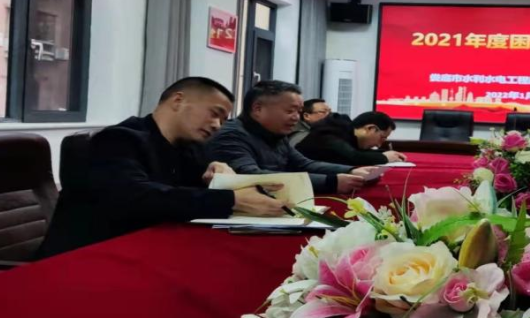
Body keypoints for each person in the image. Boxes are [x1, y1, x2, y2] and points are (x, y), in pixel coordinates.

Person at [37, 77, 285, 259]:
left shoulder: (187, 147)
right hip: (86, 257)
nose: (217, 125)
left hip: (145, 248)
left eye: (223, 120)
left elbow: (190, 193)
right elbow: (139, 198)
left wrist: (219, 174)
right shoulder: (118, 140)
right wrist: (232, 199)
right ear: (178, 100)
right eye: (214, 113)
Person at [207, 80, 373, 194]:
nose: (296, 118)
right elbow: (250, 176)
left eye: (298, 112)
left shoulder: (276, 133)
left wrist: (351, 170)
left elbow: (304, 164)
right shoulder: (231, 135)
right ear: (258, 109)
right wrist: (331, 182)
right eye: (289, 111)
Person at [296, 111, 409, 166]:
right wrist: (384, 157)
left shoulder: (348, 132)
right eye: (382, 138)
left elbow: (358, 152)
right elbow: (353, 157)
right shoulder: (331, 133)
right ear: (371, 128)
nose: (379, 145)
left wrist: (385, 153)